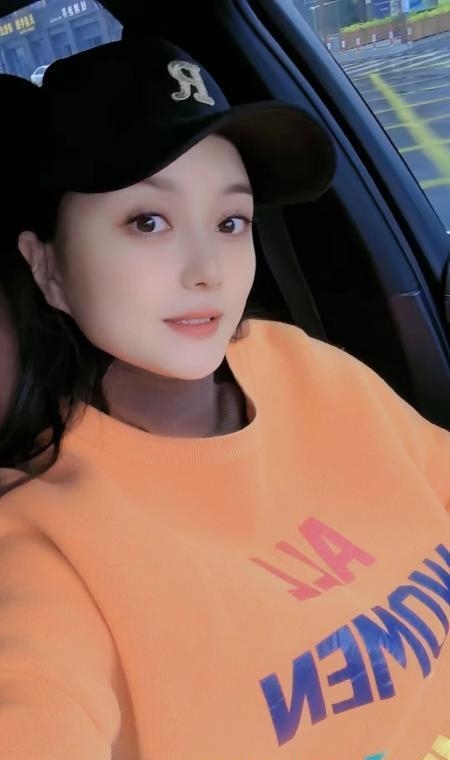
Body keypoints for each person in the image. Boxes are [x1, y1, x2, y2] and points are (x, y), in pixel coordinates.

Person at [0, 30, 448, 760]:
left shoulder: (299, 365)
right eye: (148, 222)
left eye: (231, 221)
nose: (209, 268)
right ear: (48, 268)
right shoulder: (47, 542)